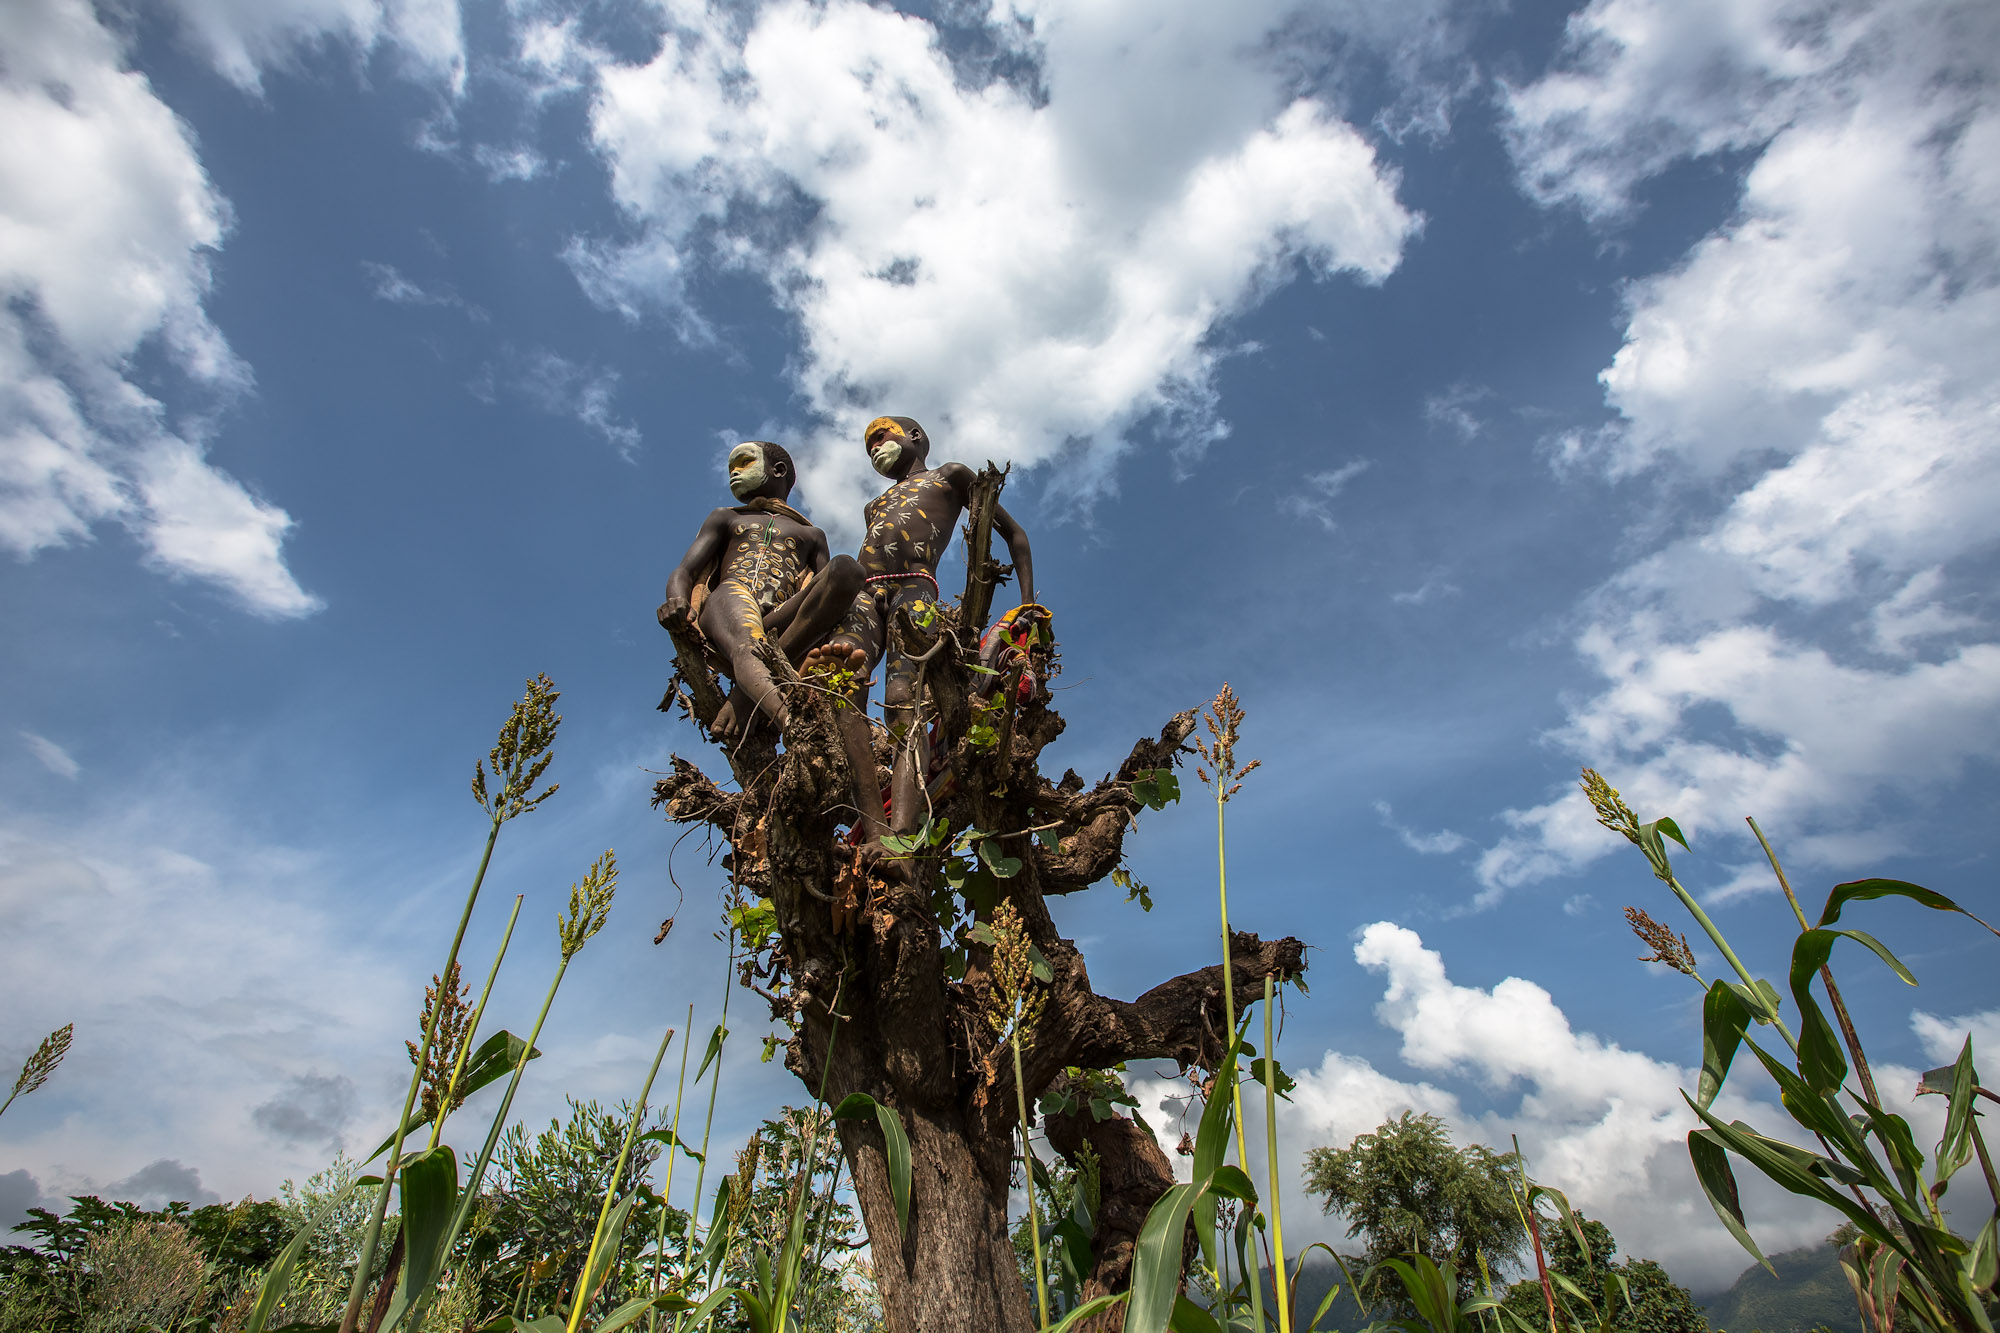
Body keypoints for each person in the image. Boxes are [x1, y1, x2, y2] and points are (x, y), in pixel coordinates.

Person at [805, 416, 1037, 741]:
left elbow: (1014, 533)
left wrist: (1028, 603)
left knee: (902, 700)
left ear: (913, 436)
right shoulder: (874, 505)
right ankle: (857, 782)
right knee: (842, 682)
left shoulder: (949, 475)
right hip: (864, 595)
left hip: (914, 587)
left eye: (880, 436)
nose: (873, 448)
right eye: (868, 447)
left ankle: (908, 789)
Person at [658, 441, 863, 742]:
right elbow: (685, 570)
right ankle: (795, 726)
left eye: (744, 463)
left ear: (777, 470)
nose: (734, 473)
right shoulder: (727, 517)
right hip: (729, 604)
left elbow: (826, 597)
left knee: (848, 569)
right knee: (745, 634)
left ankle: (745, 694)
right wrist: (675, 600)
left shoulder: (811, 534)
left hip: (780, 621)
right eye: (731, 468)